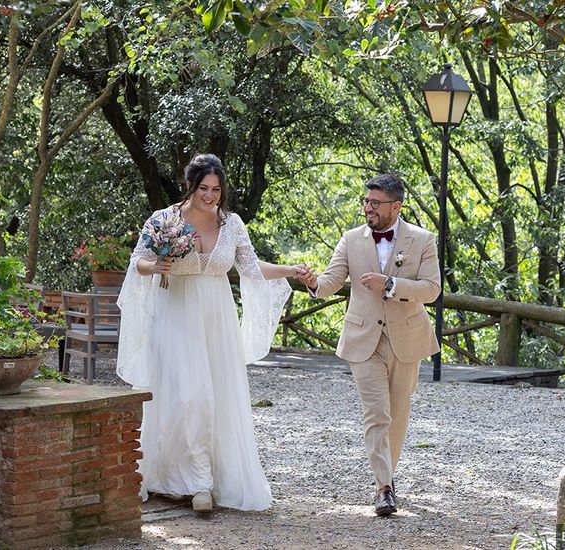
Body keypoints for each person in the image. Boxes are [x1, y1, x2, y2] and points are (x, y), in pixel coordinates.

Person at [116, 153, 304, 512]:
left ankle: (202, 481)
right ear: (190, 186)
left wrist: (290, 270)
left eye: (217, 189)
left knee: (212, 399)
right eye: (204, 188)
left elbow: (250, 266)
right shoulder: (163, 220)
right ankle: (190, 480)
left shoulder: (231, 224)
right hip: (174, 316)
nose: (211, 195)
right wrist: (156, 264)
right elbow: (137, 261)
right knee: (187, 397)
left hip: (216, 321)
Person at [297, 174, 441, 517]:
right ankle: (384, 487)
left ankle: (387, 476)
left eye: (375, 203)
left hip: (407, 337)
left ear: (396, 206)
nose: (368, 207)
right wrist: (314, 283)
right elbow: (331, 281)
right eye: (366, 201)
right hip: (363, 340)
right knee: (376, 413)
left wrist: (390, 283)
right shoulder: (350, 239)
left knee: (397, 414)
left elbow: (432, 289)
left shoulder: (423, 239)